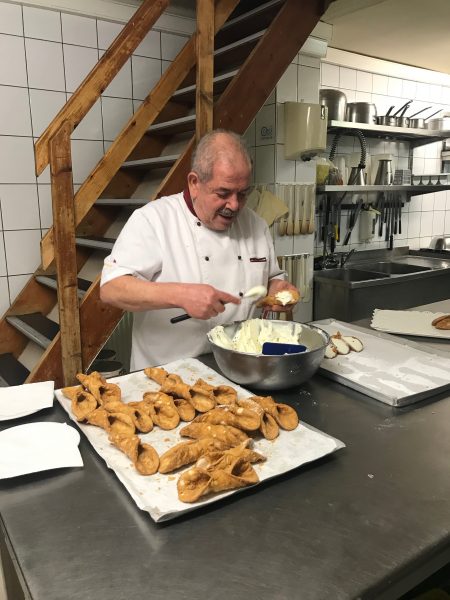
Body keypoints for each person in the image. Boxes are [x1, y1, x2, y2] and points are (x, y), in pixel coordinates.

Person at [100, 129, 299, 369]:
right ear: (194, 183)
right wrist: (181, 295)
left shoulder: (255, 224)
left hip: (235, 367)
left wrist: (278, 288)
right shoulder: (154, 219)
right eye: (223, 193)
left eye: (242, 194)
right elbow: (111, 288)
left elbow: (271, 277)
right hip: (167, 376)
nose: (234, 205)